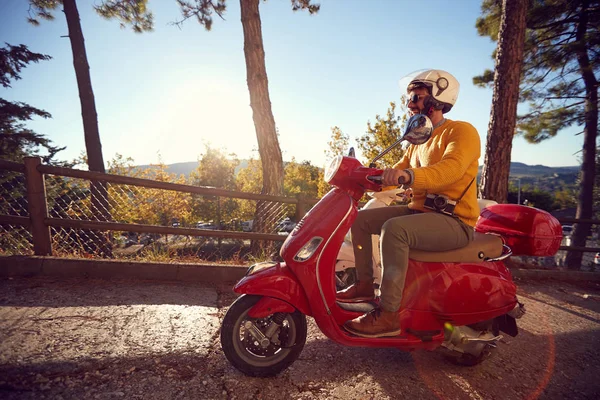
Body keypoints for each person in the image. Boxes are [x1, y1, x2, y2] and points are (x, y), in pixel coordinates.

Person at [336, 69, 481, 338]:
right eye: (408, 98)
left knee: (394, 229)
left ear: (437, 99)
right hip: (422, 212)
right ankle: (365, 285)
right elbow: (397, 172)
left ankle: (389, 315)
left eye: (415, 97)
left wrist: (409, 176)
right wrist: (370, 177)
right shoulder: (417, 141)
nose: (409, 104)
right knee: (361, 220)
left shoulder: (461, 131)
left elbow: (451, 169)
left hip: (455, 221)